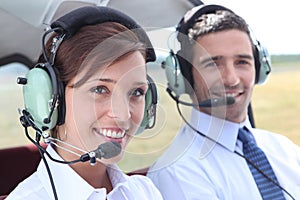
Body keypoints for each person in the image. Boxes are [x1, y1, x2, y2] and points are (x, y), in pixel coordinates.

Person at [7, 6, 162, 200]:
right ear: (53, 98)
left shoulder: (144, 192)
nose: (123, 115)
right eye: (100, 89)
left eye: (137, 92)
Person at [147, 4, 300, 200]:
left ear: (259, 69)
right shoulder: (178, 171)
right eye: (212, 64)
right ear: (184, 77)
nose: (231, 79)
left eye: (242, 62)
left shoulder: (284, 149)